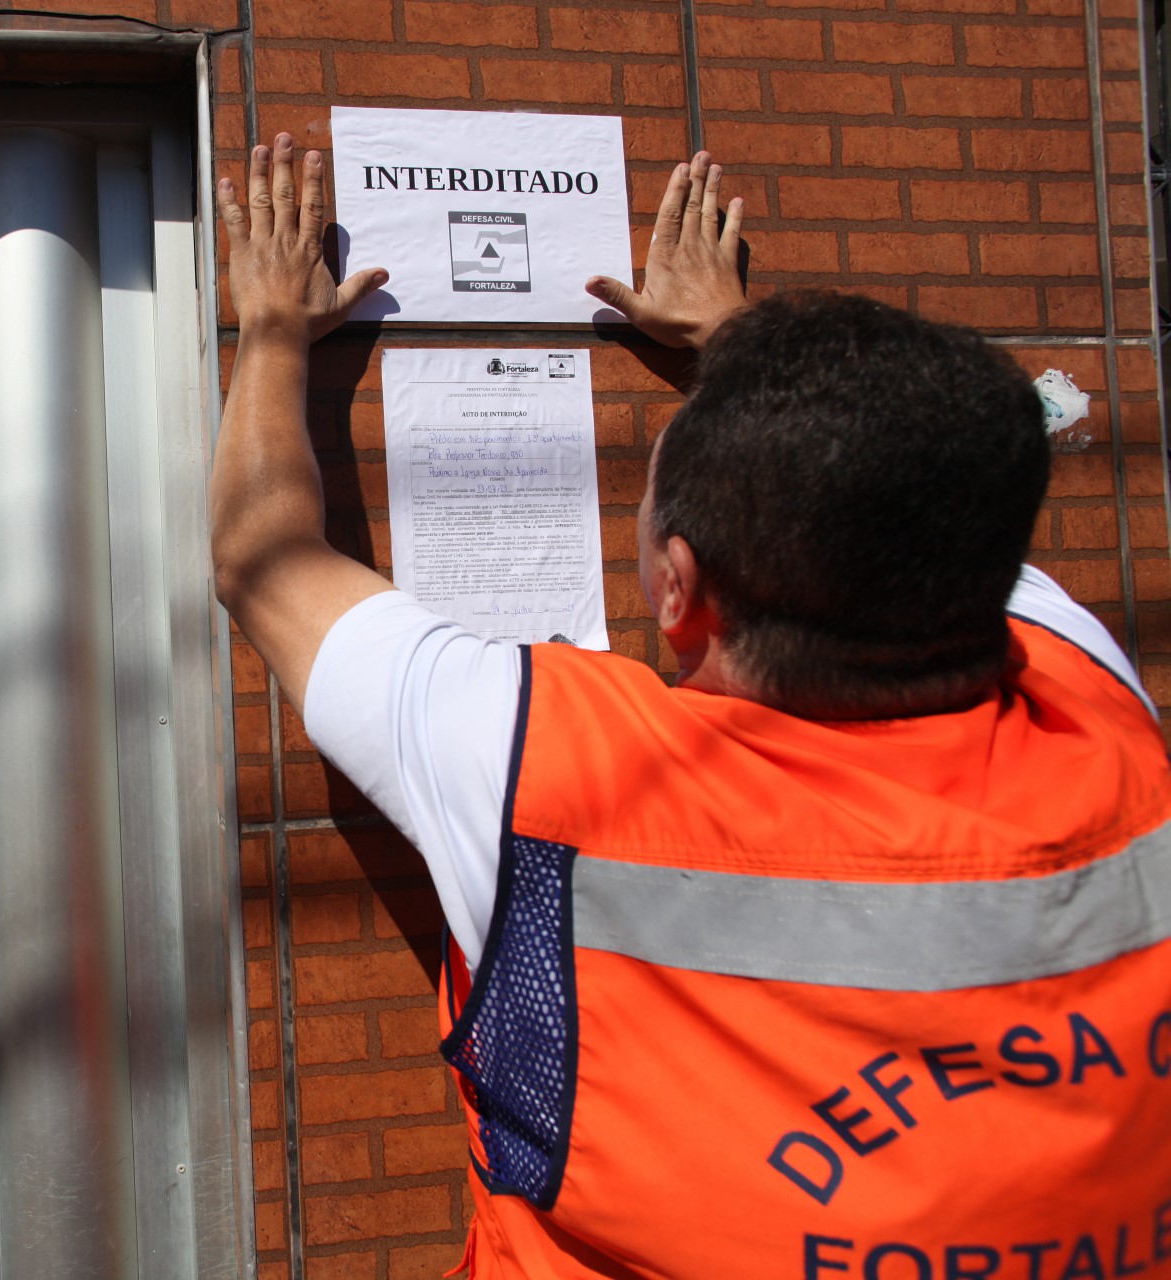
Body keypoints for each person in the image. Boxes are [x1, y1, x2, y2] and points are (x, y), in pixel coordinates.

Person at [211, 135, 1171, 1277]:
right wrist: (738, 338)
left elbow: (262, 557)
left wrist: (270, 328)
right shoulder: (1098, 698)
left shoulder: (554, 774)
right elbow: (908, 490)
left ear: (678, 589)